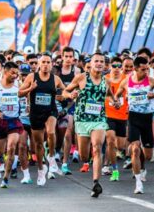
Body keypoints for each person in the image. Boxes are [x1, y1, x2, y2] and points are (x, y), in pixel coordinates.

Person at [62, 52, 113, 198]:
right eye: (96, 61)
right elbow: (65, 91)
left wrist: (114, 101)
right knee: (85, 155)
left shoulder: (106, 80)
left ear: (104, 64)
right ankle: (88, 160)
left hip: (99, 119)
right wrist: (70, 95)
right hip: (82, 120)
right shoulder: (81, 77)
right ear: (90, 63)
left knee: (97, 148)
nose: (99, 63)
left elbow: (108, 93)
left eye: (101, 61)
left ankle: (96, 182)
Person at [114, 56, 154, 194]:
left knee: (146, 155)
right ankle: (138, 183)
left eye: (147, 69)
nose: (146, 72)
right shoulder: (126, 82)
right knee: (135, 149)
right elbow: (117, 96)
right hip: (133, 119)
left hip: (147, 119)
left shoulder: (151, 81)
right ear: (135, 69)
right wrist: (118, 103)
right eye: (143, 69)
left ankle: (143, 167)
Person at [20, 53, 65, 184]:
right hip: (35, 113)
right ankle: (41, 170)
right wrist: (30, 88)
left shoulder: (55, 79)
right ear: (39, 64)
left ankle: (51, 157)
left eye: (48, 62)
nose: (45, 65)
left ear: (52, 65)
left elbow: (65, 90)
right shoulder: (31, 77)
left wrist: (69, 94)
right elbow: (19, 93)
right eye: (43, 62)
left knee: (51, 132)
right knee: (38, 145)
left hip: (50, 111)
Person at [0, 61, 24, 188]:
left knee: (11, 147)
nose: (15, 75)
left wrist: (27, 107)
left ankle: (6, 177)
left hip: (14, 120)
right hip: (1, 121)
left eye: (17, 73)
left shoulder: (19, 84)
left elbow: (24, 96)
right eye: (12, 73)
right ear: (5, 72)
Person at [55, 47, 80, 175]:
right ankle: (54, 152)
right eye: (67, 56)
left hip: (70, 105)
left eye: (71, 57)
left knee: (68, 133)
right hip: (54, 104)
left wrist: (66, 107)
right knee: (54, 134)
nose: (69, 59)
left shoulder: (76, 72)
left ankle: (64, 163)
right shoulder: (56, 71)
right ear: (62, 57)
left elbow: (77, 92)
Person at [104, 57, 128, 181]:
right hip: (108, 115)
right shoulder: (105, 79)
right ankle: (114, 170)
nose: (117, 68)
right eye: (114, 66)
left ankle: (119, 157)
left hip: (122, 116)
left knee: (120, 146)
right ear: (110, 66)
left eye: (119, 66)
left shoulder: (126, 79)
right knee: (110, 141)